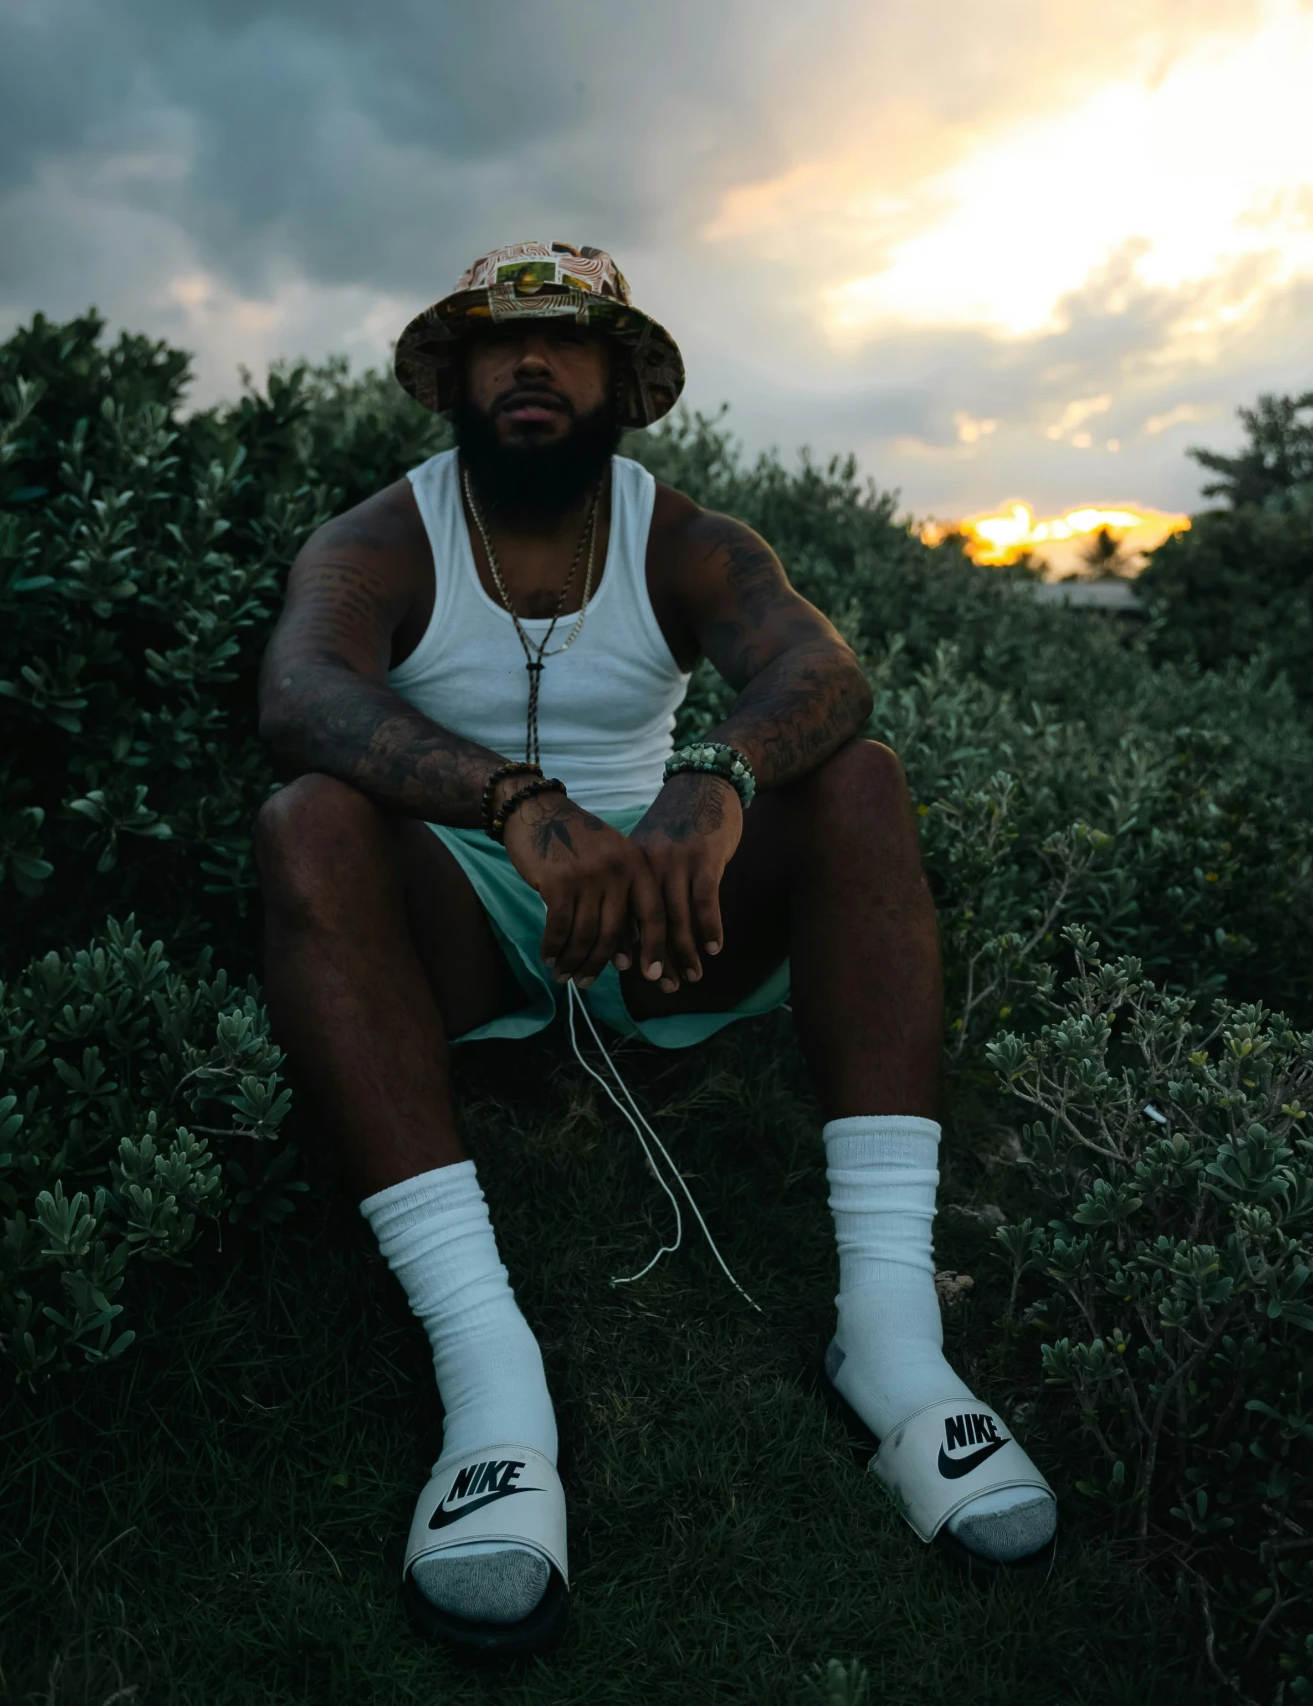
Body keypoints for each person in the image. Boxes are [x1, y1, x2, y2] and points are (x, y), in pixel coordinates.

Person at [255, 240, 1056, 1656]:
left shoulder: (682, 537)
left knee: (857, 778)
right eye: (500, 343)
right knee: (310, 820)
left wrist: (716, 779)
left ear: (625, 378)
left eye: (568, 341)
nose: (531, 365)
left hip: (675, 918)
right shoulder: (384, 534)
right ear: (455, 374)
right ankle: (491, 1378)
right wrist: (510, 799)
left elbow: (823, 669)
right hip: (474, 915)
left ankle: (891, 1341)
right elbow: (306, 693)